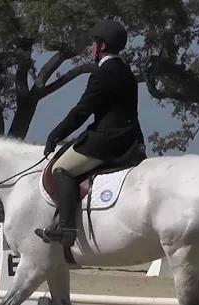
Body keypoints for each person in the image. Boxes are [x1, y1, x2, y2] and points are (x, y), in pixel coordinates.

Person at [35, 19, 146, 247]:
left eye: (93, 43)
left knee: (61, 168)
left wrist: (54, 135)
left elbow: (82, 111)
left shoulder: (103, 73)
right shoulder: (126, 72)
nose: (90, 48)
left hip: (107, 141)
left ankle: (66, 227)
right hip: (129, 139)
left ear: (102, 45)